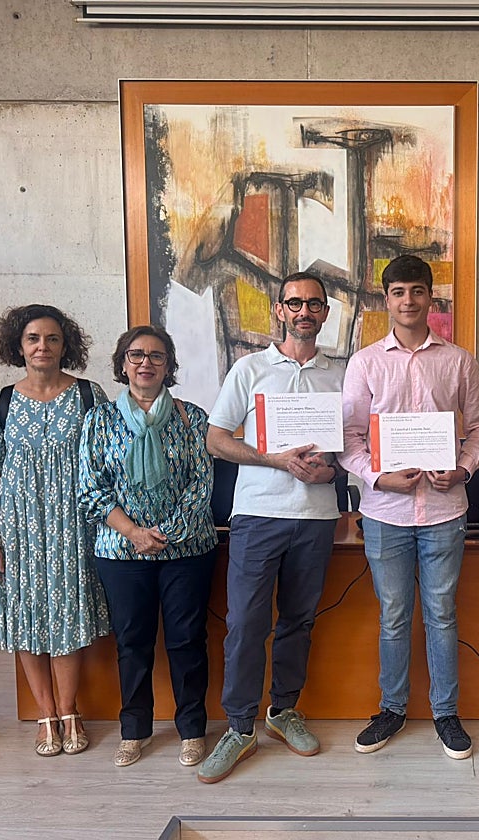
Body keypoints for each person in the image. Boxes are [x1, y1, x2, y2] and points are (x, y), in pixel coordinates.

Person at [340, 254, 479, 760]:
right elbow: (349, 437)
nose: (408, 301)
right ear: (387, 300)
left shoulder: (459, 360)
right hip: (385, 514)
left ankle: (447, 713)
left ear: (432, 298)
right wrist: (377, 476)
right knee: (393, 616)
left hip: (446, 510)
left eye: (417, 291)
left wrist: (464, 470)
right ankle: (392, 709)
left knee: (443, 614)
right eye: (399, 292)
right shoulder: (365, 362)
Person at [198, 272, 344, 784]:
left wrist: (333, 469)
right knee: (245, 624)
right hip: (258, 515)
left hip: (317, 517)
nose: (304, 311)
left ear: (326, 313)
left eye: (314, 304)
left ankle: (283, 712)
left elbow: (352, 447)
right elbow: (217, 440)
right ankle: (239, 727)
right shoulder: (250, 368)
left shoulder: (342, 374)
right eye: (295, 303)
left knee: (299, 621)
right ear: (279, 310)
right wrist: (276, 460)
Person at [0, 304, 111, 757]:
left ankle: (70, 712)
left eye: (52, 339)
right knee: (25, 619)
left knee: (67, 618)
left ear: (64, 345)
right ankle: (44, 714)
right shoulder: (2, 402)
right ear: (19, 345)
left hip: (75, 526)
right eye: (33, 338)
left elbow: (107, 464)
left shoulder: (90, 396)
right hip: (18, 529)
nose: (43, 347)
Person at [78, 325, 217, 769]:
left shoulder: (192, 417)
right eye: (136, 355)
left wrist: (168, 533)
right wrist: (135, 533)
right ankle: (133, 730)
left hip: (188, 550)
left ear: (169, 366)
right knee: (133, 643)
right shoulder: (101, 419)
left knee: (187, 641)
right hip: (121, 552)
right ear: (123, 364)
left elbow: (202, 484)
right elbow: (90, 489)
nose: (146, 363)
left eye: (157, 356)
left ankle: (192, 729)